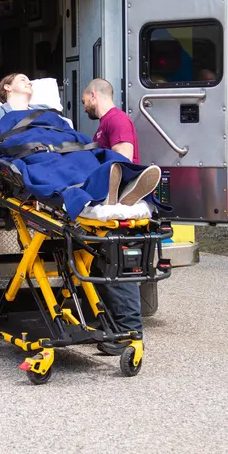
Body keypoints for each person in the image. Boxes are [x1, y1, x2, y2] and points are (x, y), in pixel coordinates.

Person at [81, 78, 150, 355]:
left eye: (84, 101)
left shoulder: (116, 120)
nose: (84, 106)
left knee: (119, 269)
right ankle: (112, 328)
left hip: (119, 208)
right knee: (105, 268)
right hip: (108, 210)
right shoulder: (104, 125)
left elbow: (123, 159)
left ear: (93, 95)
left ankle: (129, 333)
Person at [0, 73, 53, 140]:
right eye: (22, 80)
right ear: (8, 87)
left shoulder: (44, 108)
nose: (30, 83)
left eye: (29, 81)